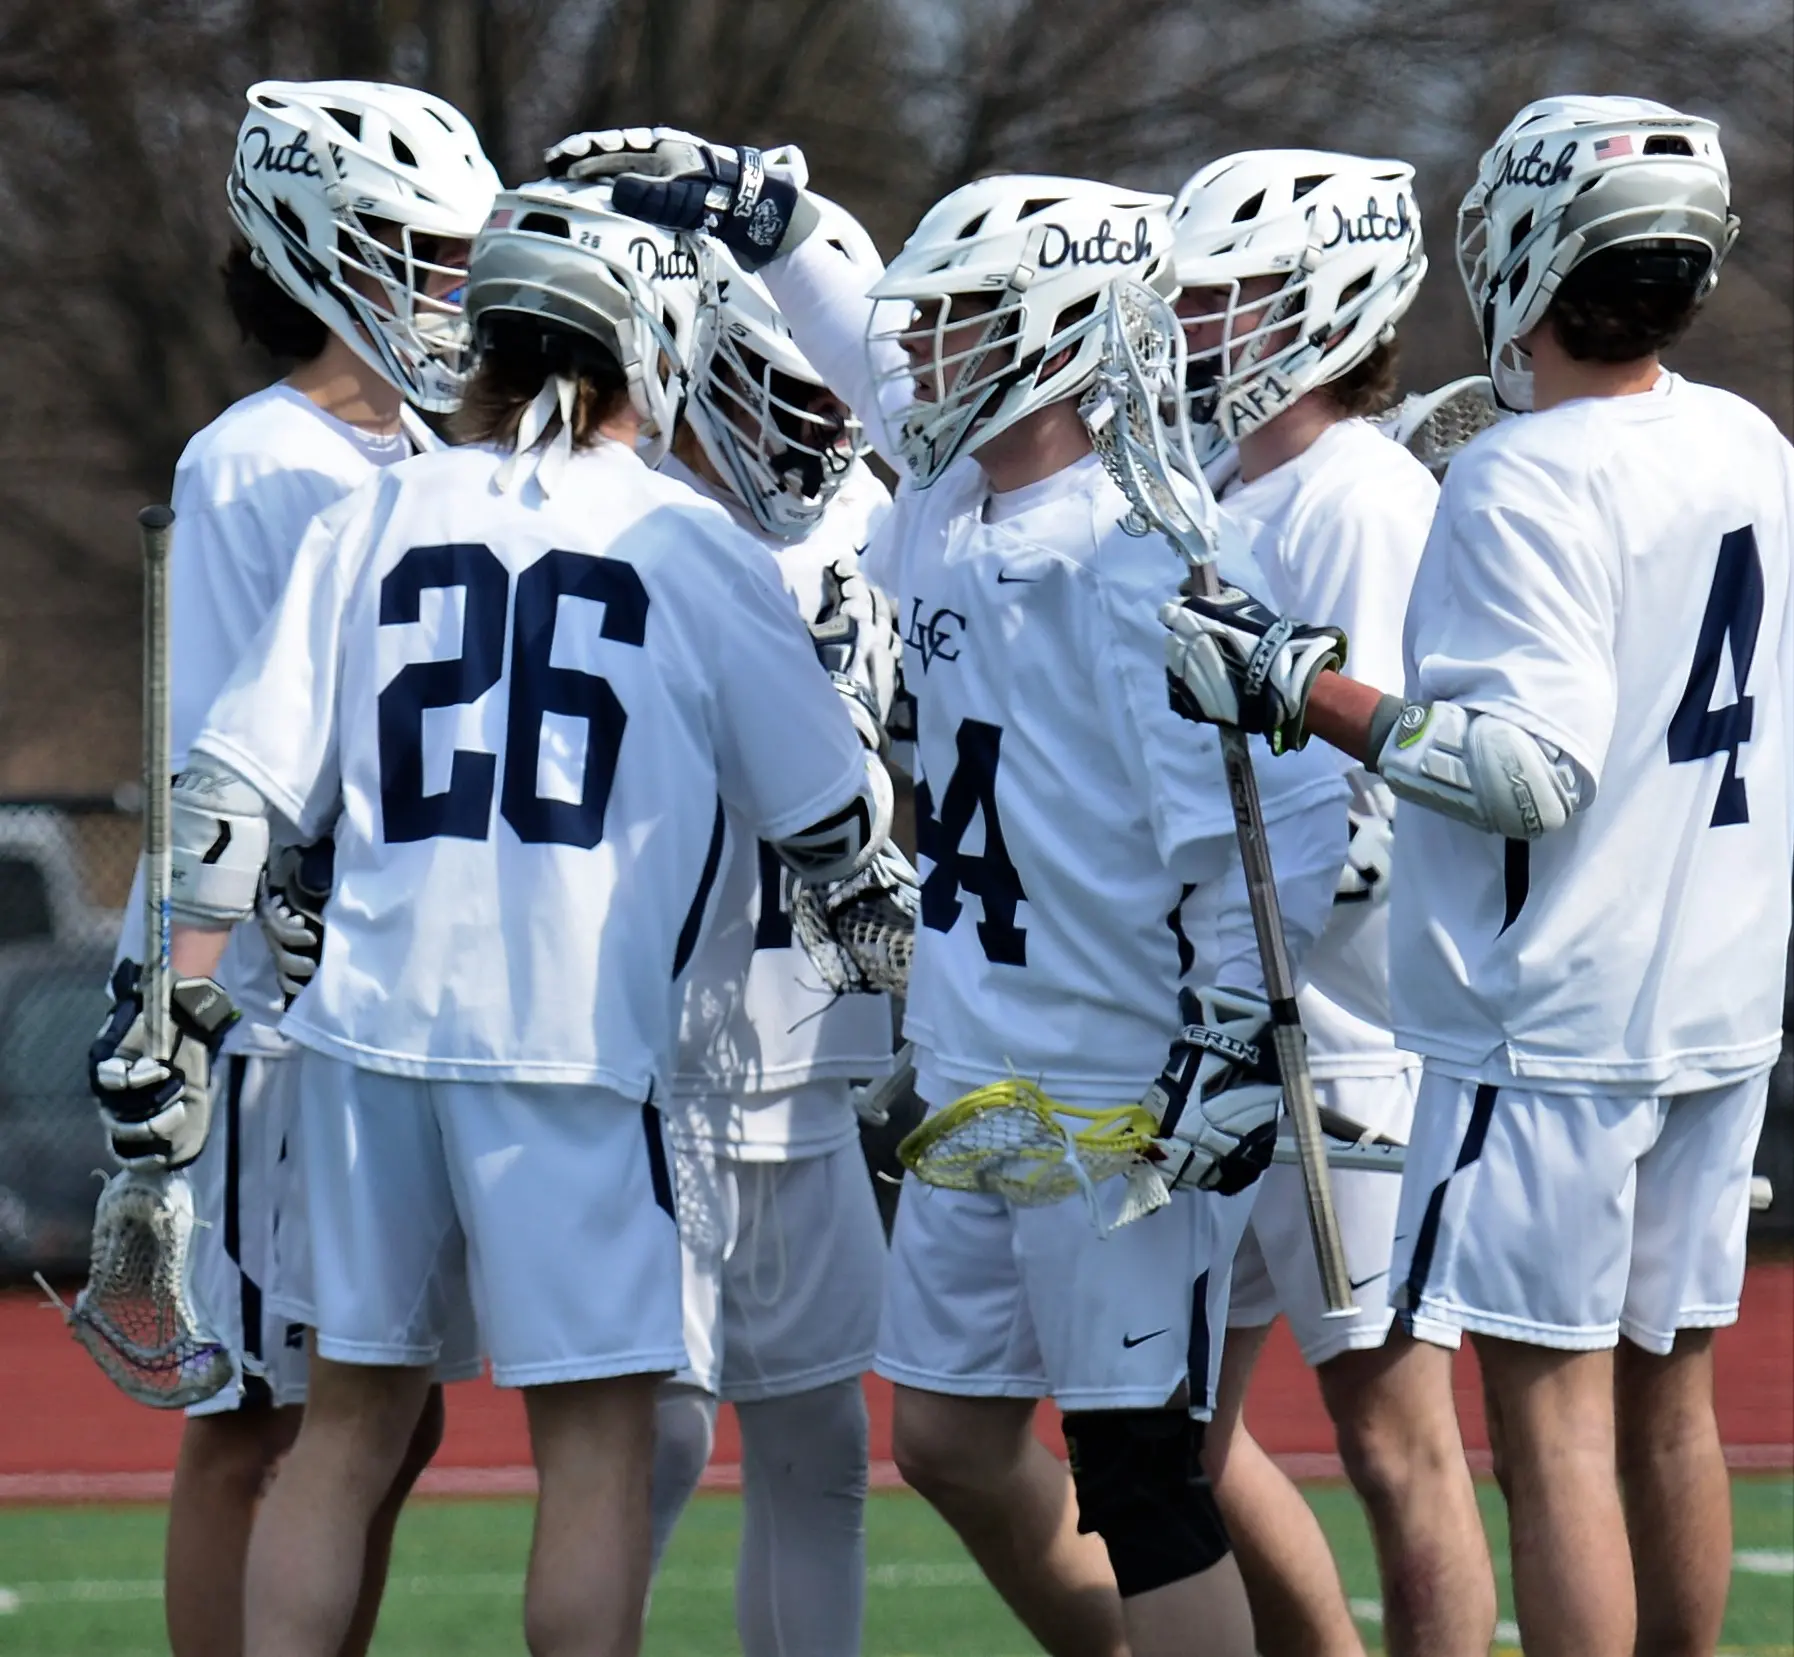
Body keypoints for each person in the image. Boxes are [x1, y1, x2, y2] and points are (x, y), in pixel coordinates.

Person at [557, 130, 1350, 1657]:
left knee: (1140, 1468)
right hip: (982, 1066)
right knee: (945, 1437)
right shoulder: (946, 507)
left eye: (964, 319)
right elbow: (862, 350)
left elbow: (1279, 816)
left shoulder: (1154, 553)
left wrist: (1237, 1036)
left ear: (1056, 331)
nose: (922, 348)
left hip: (1120, 1077)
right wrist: (780, 221)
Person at [97, 177, 898, 1657]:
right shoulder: (688, 540)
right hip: (576, 1055)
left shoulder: (374, 507)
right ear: (644, 339)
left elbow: (229, 795)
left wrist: (176, 1022)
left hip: (366, 1039)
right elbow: (828, 817)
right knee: (589, 1448)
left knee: (343, 1429)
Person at [1158, 94, 1792, 1657]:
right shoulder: (1740, 437)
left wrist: (1302, 683)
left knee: (1556, 1431)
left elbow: (1530, 771)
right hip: (1714, 992)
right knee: (1669, 1402)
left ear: (1520, 245)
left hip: (1550, 1018)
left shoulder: (1521, 481)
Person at [88, 78, 498, 1657]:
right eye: (421, 251)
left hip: (363, 991)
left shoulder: (415, 456)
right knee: (259, 1426)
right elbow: (233, 763)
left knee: (386, 1420)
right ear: (323, 247)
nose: (452, 289)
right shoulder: (259, 463)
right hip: (256, 1010)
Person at [1164, 150, 1496, 1657]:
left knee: (1394, 1438)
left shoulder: (1361, 493)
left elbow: (1387, 783)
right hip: (1220, 1016)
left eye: (1228, 292)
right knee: (1166, 1436)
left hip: (1340, 1029)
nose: (1195, 323)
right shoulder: (1230, 484)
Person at [646, 216, 900, 1656]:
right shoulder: (631, 528)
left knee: (819, 1453)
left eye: (831, 395)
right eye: (783, 390)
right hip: (656, 1064)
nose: (819, 425)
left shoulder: (876, 520)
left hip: (809, 1062)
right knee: (657, 1445)